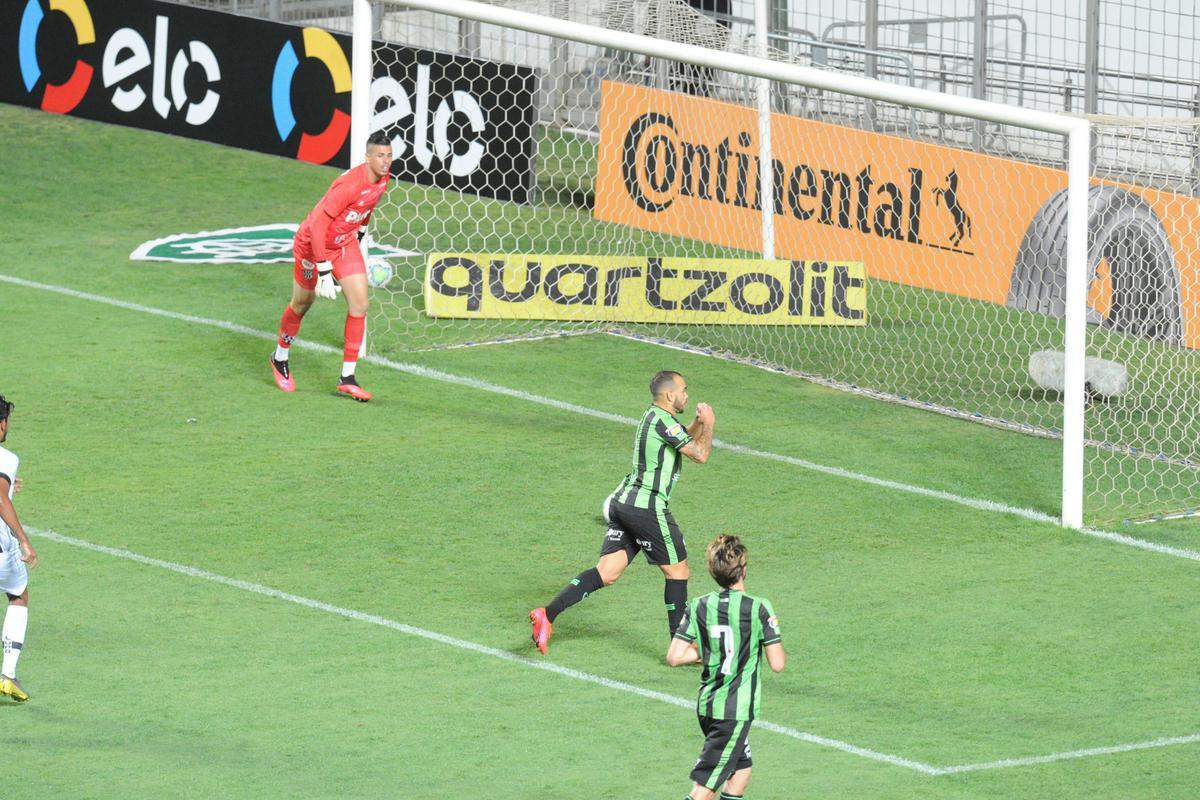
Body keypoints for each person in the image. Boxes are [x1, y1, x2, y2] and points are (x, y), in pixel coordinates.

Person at [529, 371, 714, 654]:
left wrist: (697, 424)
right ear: (669, 395)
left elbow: (683, 439)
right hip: (647, 507)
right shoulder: (663, 421)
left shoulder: (655, 417)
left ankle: (547, 614)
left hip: (623, 504)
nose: (687, 395)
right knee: (678, 571)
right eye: (683, 390)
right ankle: (680, 648)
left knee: (607, 572)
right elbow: (700, 454)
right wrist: (710, 425)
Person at [270, 132, 394, 402]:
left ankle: (347, 378)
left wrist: (360, 231)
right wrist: (324, 270)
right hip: (312, 244)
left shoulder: (383, 179)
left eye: (389, 155)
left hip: (342, 243)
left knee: (360, 304)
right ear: (367, 157)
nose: (386, 161)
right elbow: (317, 226)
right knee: (302, 303)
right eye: (380, 156)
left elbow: (369, 205)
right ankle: (280, 357)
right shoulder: (349, 185)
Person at [667, 534, 785, 800]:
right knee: (704, 789)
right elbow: (777, 663)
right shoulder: (758, 608)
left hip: (708, 705)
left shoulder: (698, 605)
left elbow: (675, 656)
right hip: (732, 713)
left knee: (740, 773)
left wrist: (705, 650)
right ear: (743, 570)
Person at [0, 396, 37, 702]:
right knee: (18, 594)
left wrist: (9, 486)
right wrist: (23, 539)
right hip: (2, 553)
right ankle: (8, 675)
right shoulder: (6, 458)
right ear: (2, 425)